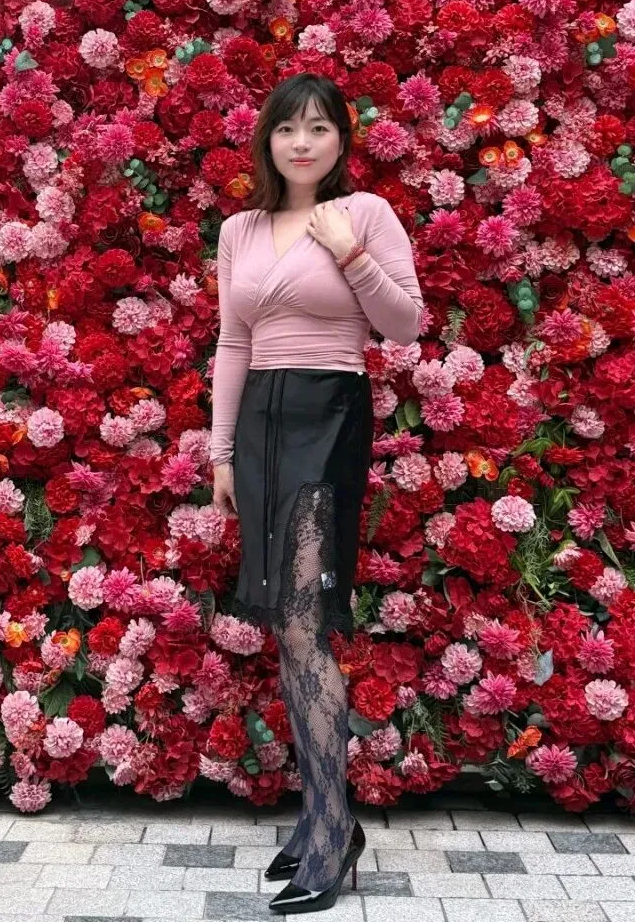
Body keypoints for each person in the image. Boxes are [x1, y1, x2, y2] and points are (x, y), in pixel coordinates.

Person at [209, 73, 424, 915]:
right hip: (261, 420)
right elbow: (233, 341)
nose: (302, 143)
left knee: (303, 622)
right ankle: (319, 817)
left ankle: (333, 831)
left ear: (341, 140)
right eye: (287, 128)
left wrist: (351, 253)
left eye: (319, 128)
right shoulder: (239, 229)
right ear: (267, 140)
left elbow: (405, 324)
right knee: (283, 622)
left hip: (329, 413)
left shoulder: (364, 214)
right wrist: (221, 452)